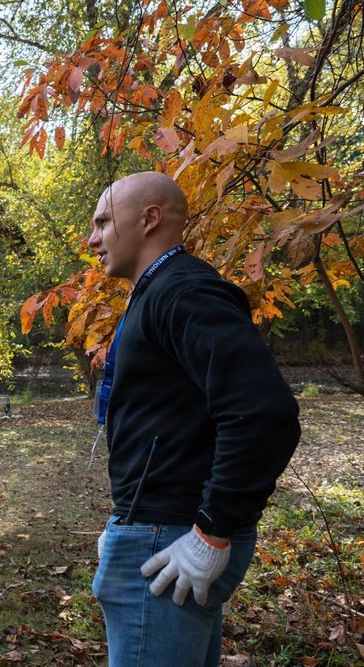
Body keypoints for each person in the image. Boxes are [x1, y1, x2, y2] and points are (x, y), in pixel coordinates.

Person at [88, 172, 300, 666]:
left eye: (102, 222)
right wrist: (127, 516)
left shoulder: (183, 292)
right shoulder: (156, 291)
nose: (93, 239)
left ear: (149, 219)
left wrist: (209, 532)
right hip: (157, 527)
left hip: (172, 538)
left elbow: (264, 413)